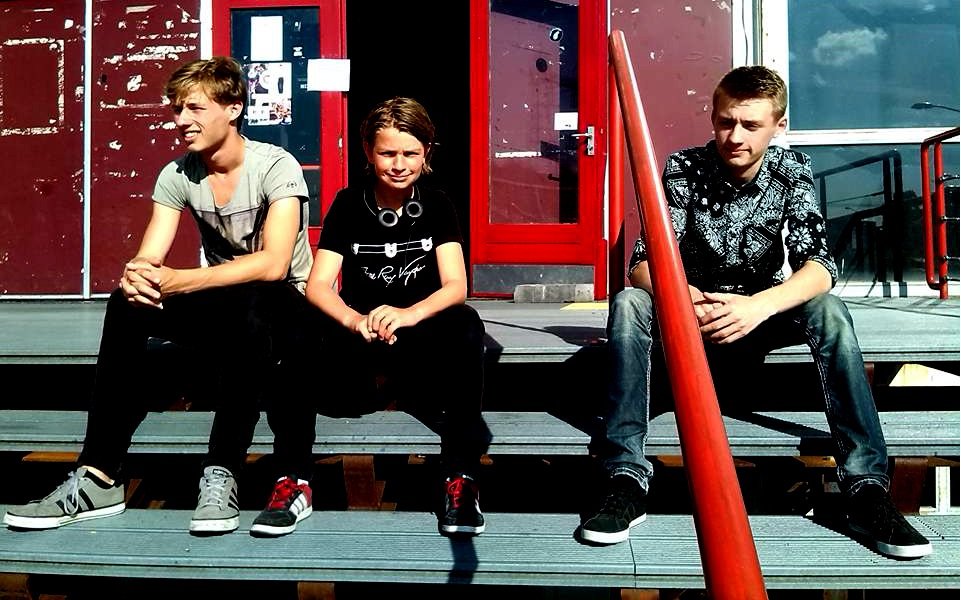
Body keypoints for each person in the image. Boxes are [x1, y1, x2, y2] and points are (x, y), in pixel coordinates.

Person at [578, 65, 933, 559]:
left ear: (778, 126)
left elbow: (820, 267)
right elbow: (642, 264)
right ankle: (625, 477)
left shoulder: (792, 170)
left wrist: (757, 307)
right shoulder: (684, 166)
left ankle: (865, 486)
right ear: (713, 117)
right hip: (690, 307)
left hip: (760, 310)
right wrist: (688, 301)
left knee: (830, 311)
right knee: (629, 303)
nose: (736, 137)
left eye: (751, 125)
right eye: (726, 122)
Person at [3, 56, 319, 538]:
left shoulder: (276, 166)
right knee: (124, 304)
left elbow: (274, 264)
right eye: (176, 109)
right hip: (227, 301)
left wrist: (179, 280)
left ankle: (222, 472)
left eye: (194, 108)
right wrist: (138, 276)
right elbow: (151, 255)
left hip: (286, 306)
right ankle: (99, 475)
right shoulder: (178, 174)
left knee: (255, 303)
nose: (181, 121)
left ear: (233, 108)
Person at [303, 96, 491, 536]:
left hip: (418, 330)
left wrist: (409, 314)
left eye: (411, 153)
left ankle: (461, 476)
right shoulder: (349, 204)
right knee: (302, 325)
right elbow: (318, 284)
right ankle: (293, 474)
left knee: (466, 325)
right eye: (388, 153)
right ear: (368, 152)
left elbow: (456, 286)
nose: (399, 164)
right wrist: (353, 319)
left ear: (427, 153)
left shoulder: (438, 203)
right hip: (362, 334)